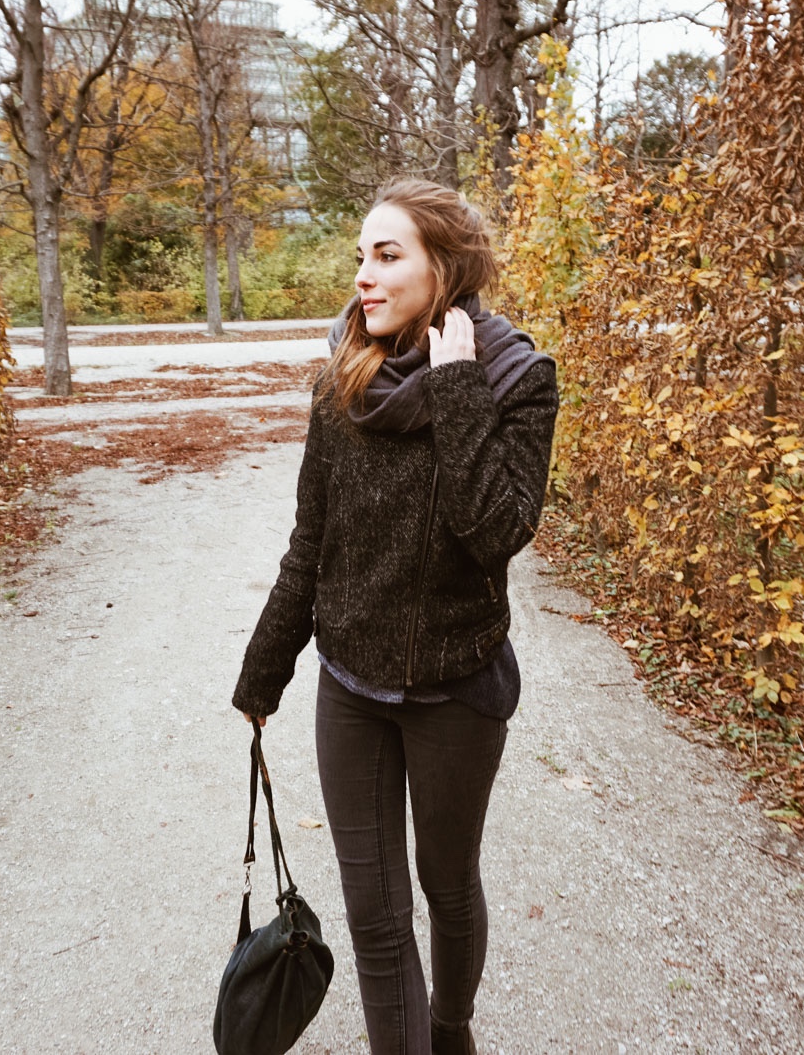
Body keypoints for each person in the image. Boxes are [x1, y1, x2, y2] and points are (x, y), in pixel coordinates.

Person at [232, 178, 559, 1055]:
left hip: (458, 692)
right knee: (376, 922)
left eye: (387, 256)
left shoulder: (519, 376)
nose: (363, 278)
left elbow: (495, 531)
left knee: (447, 888)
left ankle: (451, 1028)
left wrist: (457, 387)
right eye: (360, 257)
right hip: (351, 689)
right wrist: (266, 671)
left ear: (444, 268)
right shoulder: (344, 374)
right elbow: (313, 538)